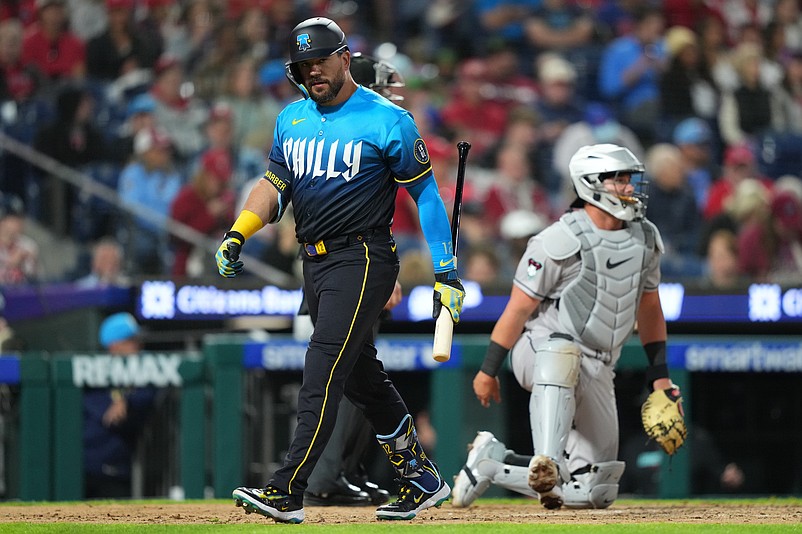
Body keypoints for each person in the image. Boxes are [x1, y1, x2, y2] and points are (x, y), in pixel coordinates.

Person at [215, 17, 462, 523]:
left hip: (364, 256)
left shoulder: (387, 118)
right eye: (303, 66)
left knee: (322, 366)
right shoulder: (291, 118)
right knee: (360, 378)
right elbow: (274, 185)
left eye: (320, 62)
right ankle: (421, 477)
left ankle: (288, 489)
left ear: (345, 58)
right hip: (315, 261)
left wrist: (446, 273)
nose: (312, 73)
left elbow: (427, 197)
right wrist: (239, 230)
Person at [451, 143, 684, 510]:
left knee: (595, 489)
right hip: (541, 352)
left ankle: (491, 465)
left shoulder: (645, 238)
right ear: (592, 184)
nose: (629, 187)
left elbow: (650, 308)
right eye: (618, 180)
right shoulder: (559, 238)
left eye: (629, 179)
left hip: (599, 364)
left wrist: (661, 377)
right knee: (562, 350)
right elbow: (518, 308)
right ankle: (548, 457)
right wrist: (488, 369)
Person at [84, 312, 156, 498]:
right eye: (132, 340)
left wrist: (126, 400)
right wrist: (117, 400)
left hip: (119, 468)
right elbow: (109, 416)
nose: (139, 345)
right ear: (115, 346)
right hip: (87, 467)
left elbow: (145, 396)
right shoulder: (92, 376)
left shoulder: (145, 372)